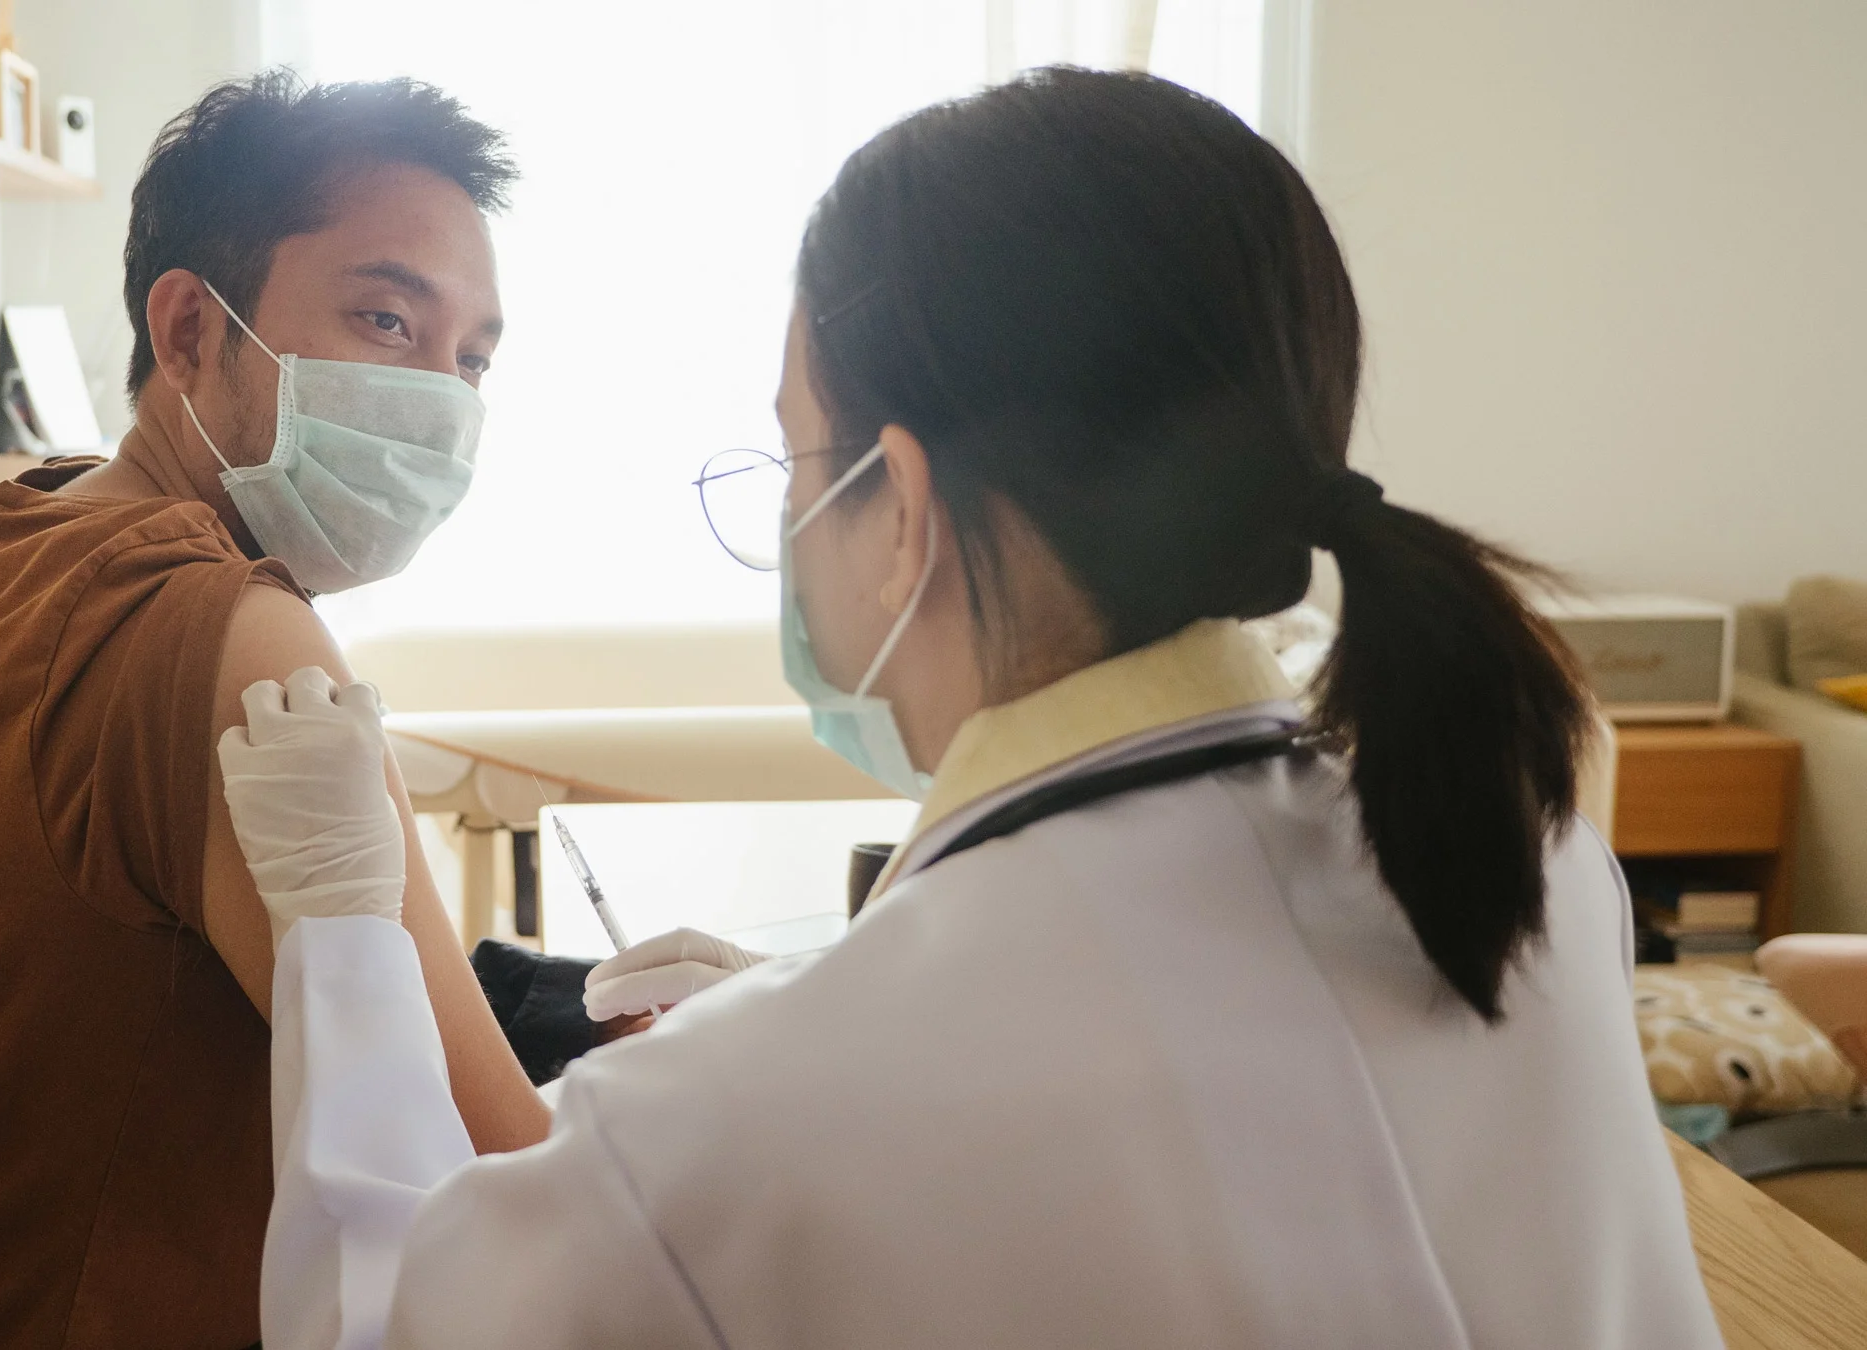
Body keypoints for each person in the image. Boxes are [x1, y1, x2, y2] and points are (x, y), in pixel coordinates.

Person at [228, 68, 1723, 1348]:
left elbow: (377, 1318)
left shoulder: (742, 1121)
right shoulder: (1517, 857)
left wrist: (348, 939)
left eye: (799, 457)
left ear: (903, 506)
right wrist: (827, 1006)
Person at [0, 73, 548, 1349]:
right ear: (188, 334)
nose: (441, 401)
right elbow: (512, 1205)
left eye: (474, 360)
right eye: (387, 319)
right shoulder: (232, 639)